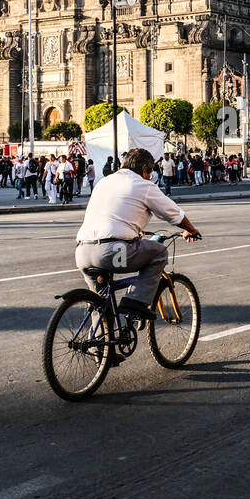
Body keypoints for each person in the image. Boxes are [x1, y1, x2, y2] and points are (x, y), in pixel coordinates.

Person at [74, 148, 201, 352]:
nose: (150, 176)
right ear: (144, 169)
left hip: (83, 252)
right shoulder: (142, 184)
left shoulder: (105, 181)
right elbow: (173, 214)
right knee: (159, 252)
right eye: (149, 172)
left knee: (101, 301)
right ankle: (136, 304)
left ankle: (101, 349)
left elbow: (118, 214)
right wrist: (191, 230)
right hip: (113, 252)